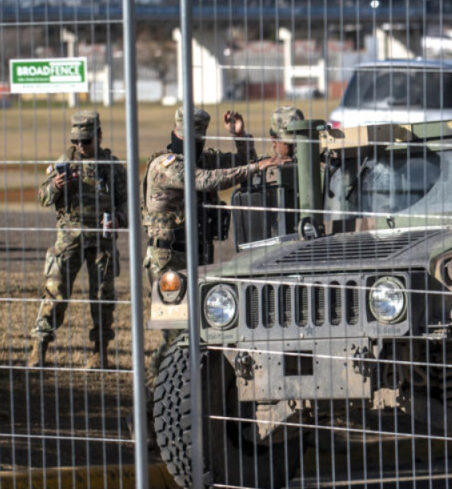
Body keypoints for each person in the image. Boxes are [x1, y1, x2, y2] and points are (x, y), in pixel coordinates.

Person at [142, 107, 285, 384]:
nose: (195, 146)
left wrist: (240, 135)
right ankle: (152, 391)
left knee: (199, 328)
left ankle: (183, 390)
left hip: (195, 256)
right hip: (167, 259)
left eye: (198, 141)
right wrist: (255, 167)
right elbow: (207, 180)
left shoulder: (201, 159)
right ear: (176, 134)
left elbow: (243, 162)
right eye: (189, 140)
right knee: (178, 331)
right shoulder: (167, 164)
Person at [28, 111, 128, 369]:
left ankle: (100, 353)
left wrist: (118, 218)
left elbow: (128, 203)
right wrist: (56, 186)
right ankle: (39, 348)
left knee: (102, 296)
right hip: (69, 238)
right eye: (76, 142)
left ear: (99, 136)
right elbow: (42, 197)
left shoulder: (112, 167)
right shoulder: (64, 163)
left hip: (101, 241)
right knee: (55, 293)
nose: (81, 147)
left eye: (86, 141)